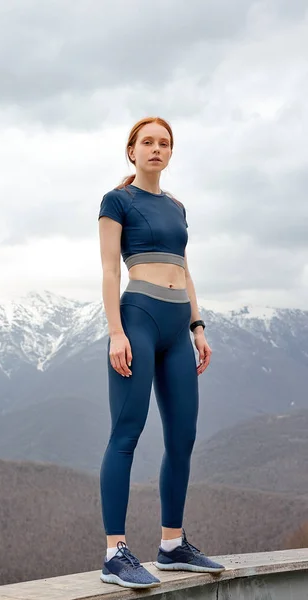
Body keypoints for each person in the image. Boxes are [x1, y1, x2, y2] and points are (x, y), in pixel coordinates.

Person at [97, 116, 225, 590]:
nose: (156, 149)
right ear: (131, 151)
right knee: (126, 433)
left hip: (176, 326)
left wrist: (198, 325)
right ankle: (115, 552)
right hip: (138, 319)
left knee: (183, 435)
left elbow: (185, 271)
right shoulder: (117, 201)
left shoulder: (176, 206)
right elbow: (110, 270)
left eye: (164, 143)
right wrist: (116, 332)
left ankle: (172, 545)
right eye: (147, 142)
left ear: (171, 153)